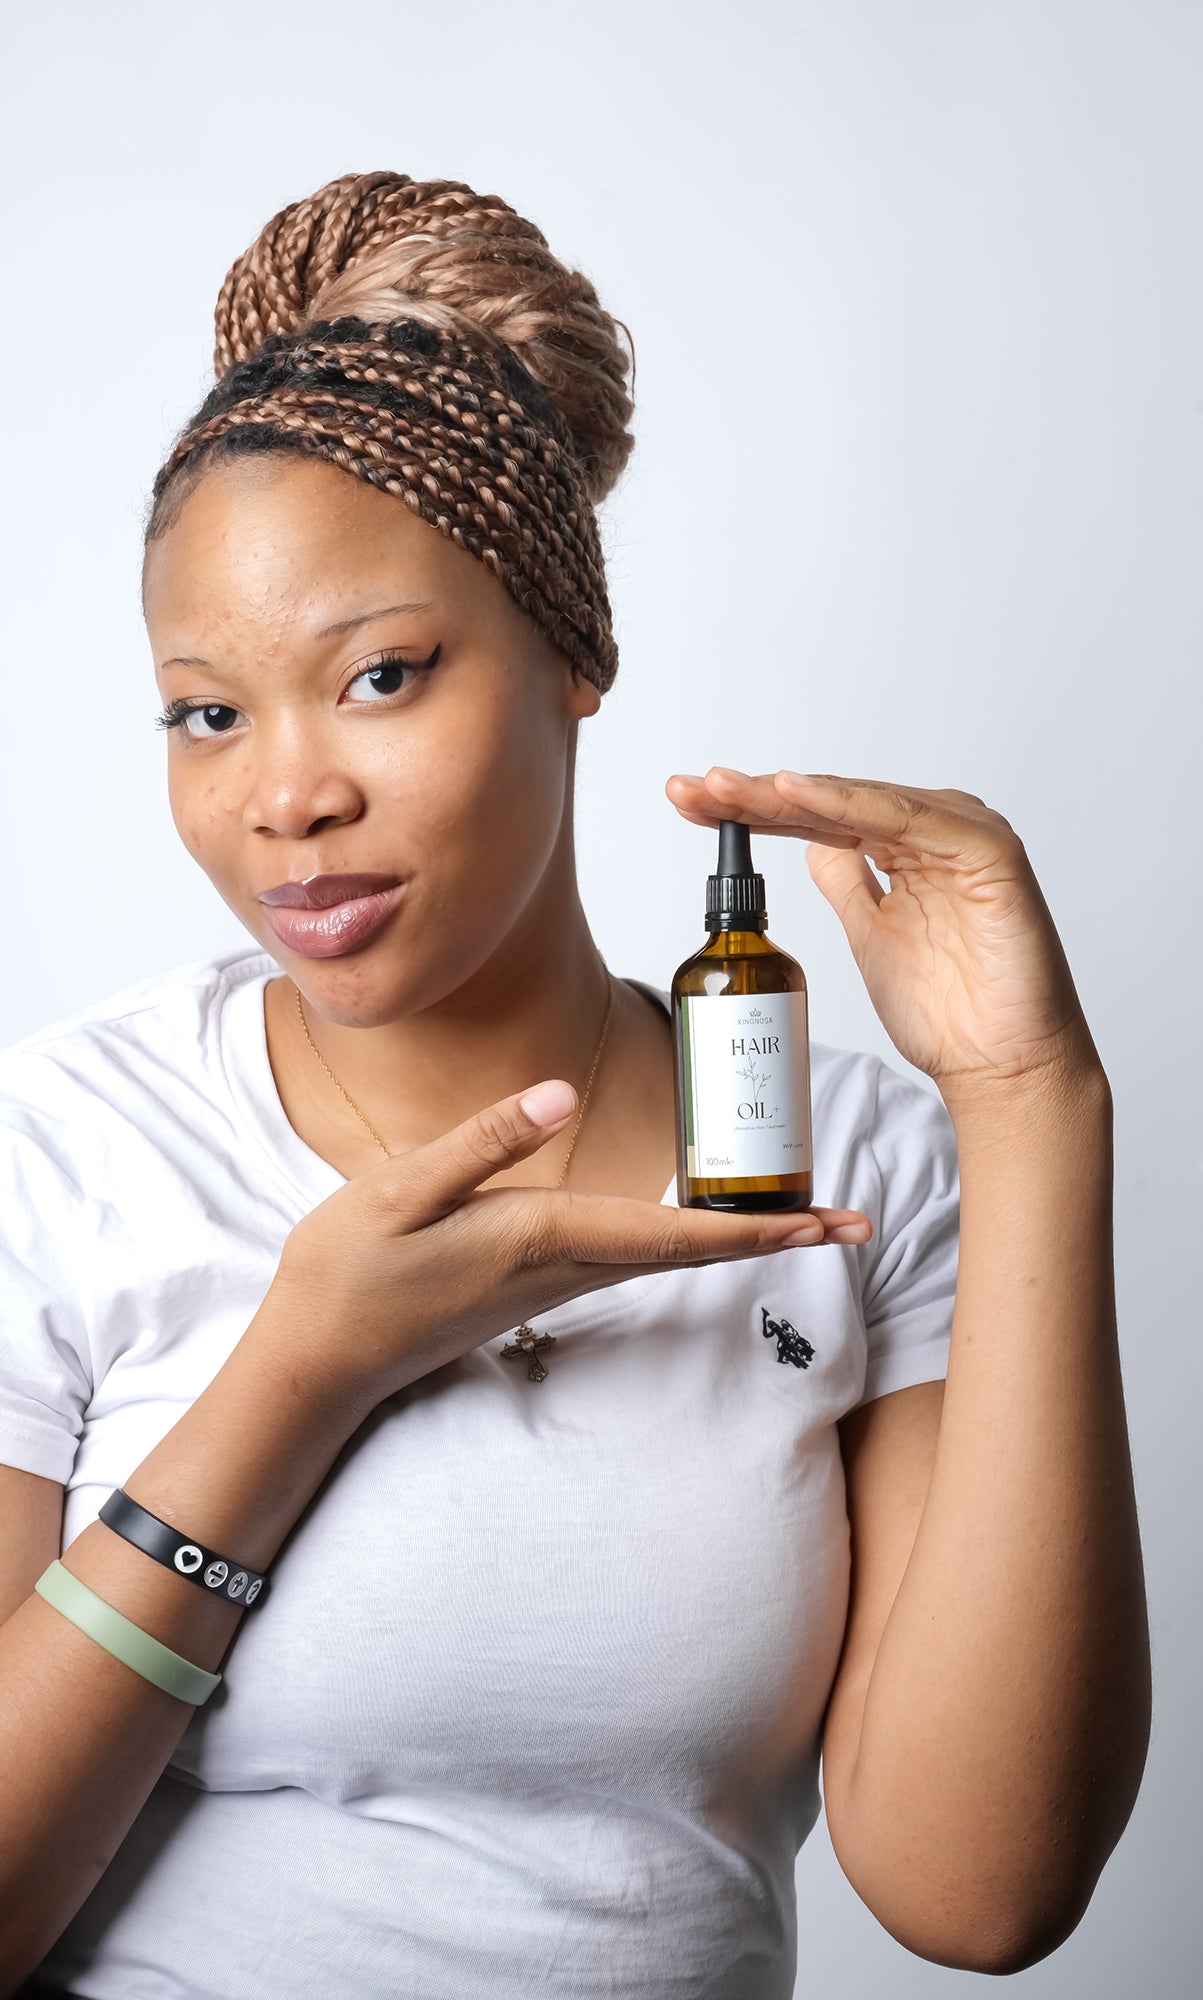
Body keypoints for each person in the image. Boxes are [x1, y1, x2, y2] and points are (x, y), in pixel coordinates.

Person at [0, 170, 1149, 2000]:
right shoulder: (65, 1147)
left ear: (576, 657)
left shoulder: (851, 1167)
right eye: (207, 710)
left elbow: (979, 1893)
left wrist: (1030, 1098)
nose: (284, 794)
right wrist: (305, 1371)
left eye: (380, 675)